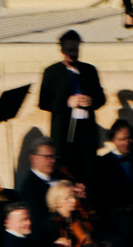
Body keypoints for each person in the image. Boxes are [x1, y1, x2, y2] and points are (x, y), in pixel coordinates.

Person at [38, 31, 108, 176]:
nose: (73, 54)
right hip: (64, 132)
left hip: (86, 131)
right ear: (62, 50)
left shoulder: (89, 70)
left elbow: (101, 98)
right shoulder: (52, 72)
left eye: (76, 50)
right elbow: (44, 102)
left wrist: (91, 101)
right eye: (70, 50)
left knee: (88, 172)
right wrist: (66, 102)